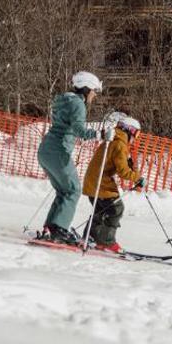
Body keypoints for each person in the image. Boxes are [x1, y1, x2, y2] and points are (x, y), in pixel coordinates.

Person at [36, 71, 104, 244]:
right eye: (94, 91)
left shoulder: (63, 100)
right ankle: (59, 230)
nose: (94, 95)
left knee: (64, 191)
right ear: (86, 88)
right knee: (73, 190)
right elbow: (80, 131)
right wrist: (101, 134)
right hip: (58, 151)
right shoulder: (78, 104)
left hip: (46, 150)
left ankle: (50, 227)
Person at [81, 113, 144, 250]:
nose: (135, 138)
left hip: (93, 180)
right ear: (130, 130)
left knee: (101, 211)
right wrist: (137, 178)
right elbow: (122, 171)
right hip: (101, 183)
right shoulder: (120, 145)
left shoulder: (112, 139)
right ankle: (106, 241)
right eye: (137, 134)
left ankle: (90, 237)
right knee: (116, 209)